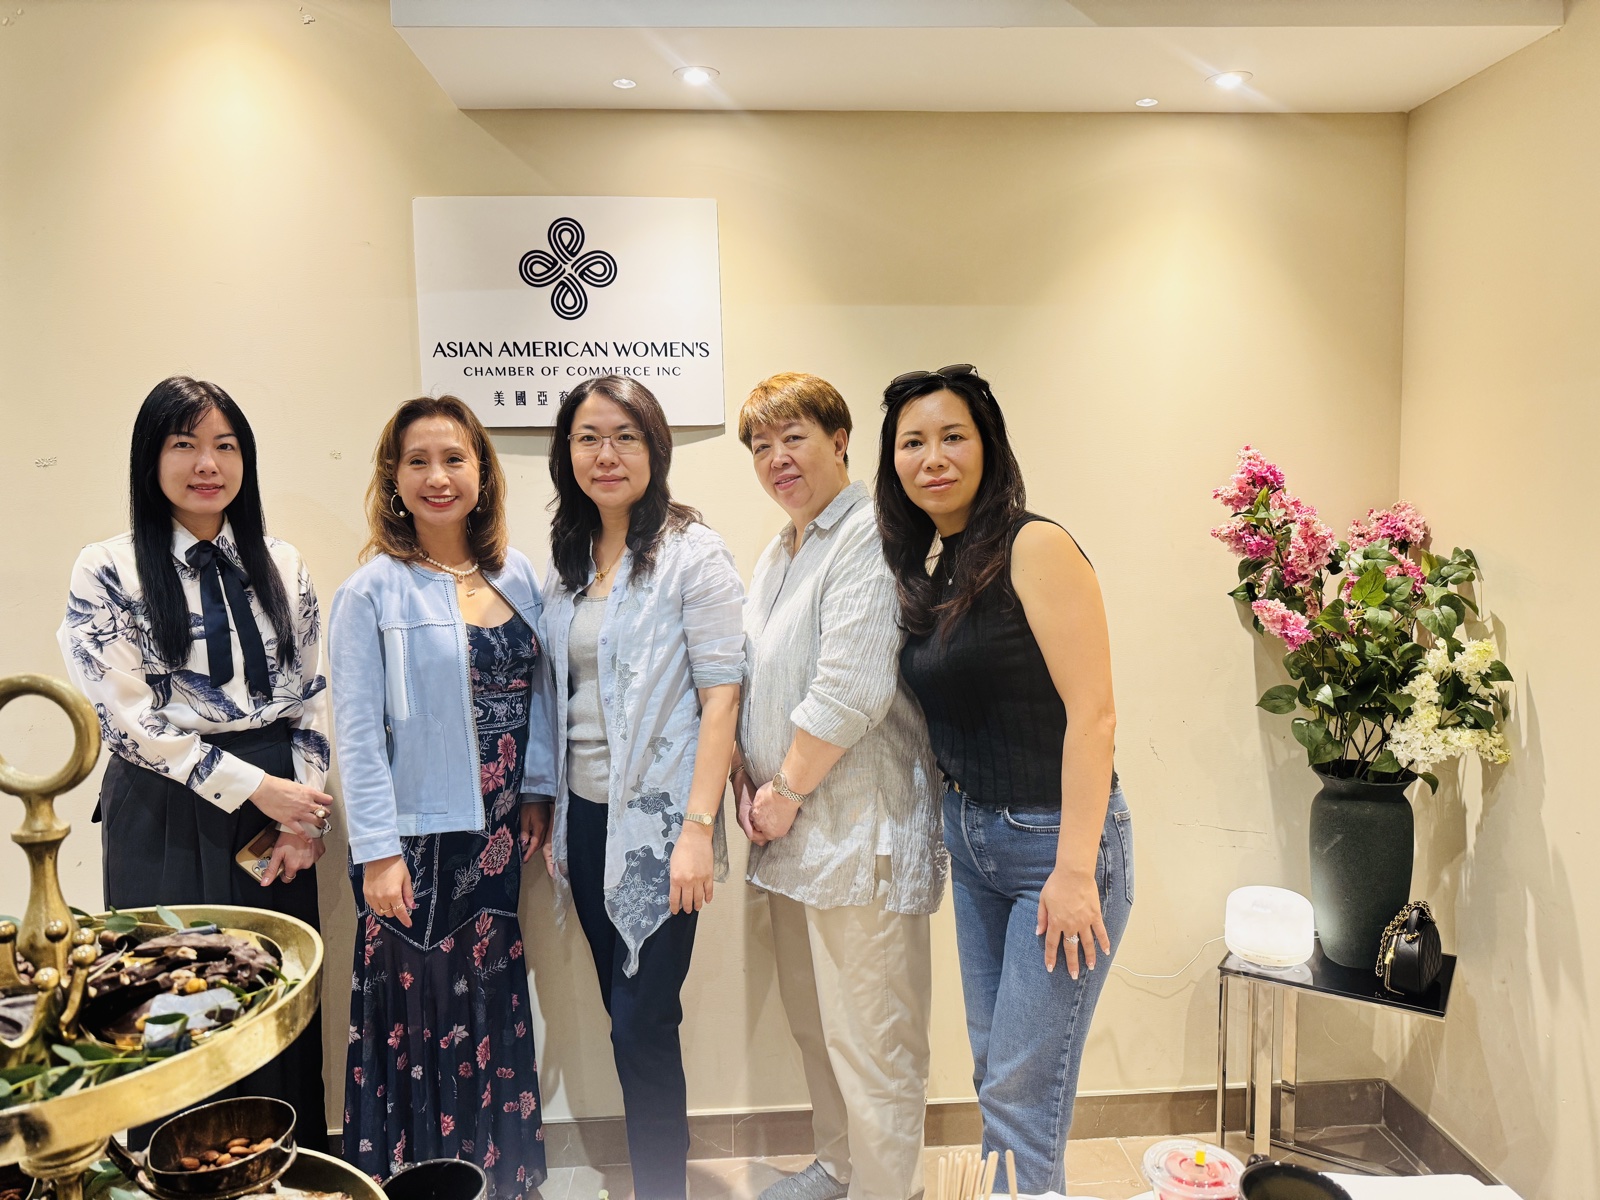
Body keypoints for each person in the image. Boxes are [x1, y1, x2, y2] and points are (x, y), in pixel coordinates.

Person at [876, 365, 1134, 1195]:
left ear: (987, 445)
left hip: (1054, 847)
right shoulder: (938, 566)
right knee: (1000, 1073)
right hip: (974, 841)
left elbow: (1094, 716)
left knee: (1021, 1092)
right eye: (912, 443)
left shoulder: (1036, 546)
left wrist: (1075, 871)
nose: (933, 458)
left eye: (953, 436)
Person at [58, 376, 332, 1149]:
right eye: (185, 444)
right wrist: (255, 788)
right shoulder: (107, 567)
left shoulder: (281, 562)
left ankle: (280, 1170)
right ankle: (175, 1175)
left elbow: (313, 694)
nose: (207, 464)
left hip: (279, 809)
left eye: (225, 445)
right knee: (171, 1002)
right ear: (151, 458)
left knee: (273, 999)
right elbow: (125, 718)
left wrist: (304, 813)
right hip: (164, 808)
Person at [329, 396, 556, 1199]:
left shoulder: (516, 573)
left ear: (481, 472)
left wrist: (537, 790)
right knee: (421, 1013)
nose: (438, 477)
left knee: (487, 999)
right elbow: (357, 734)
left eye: (454, 459)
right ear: (393, 477)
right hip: (415, 842)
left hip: (496, 837)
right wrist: (376, 852)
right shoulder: (371, 591)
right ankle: (420, 1181)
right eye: (417, 461)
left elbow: (540, 692)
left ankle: (499, 1177)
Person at [733, 373, 944, 1200]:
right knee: (816, 1026)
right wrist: (752, 785)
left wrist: (782, 791)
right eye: (761, 445)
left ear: (840, 441)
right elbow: (758, 680)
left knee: (874, 1041)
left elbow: (851, 689)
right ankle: (839, 1167)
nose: (777, 458)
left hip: (857, 830)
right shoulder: (781, 550)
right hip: (789, 834)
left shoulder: (869, 532)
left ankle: (890, 1189)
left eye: (794, 438)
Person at [538, 375, 744, 1200]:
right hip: (586, 823)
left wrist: (698, 829)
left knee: (643, 1024)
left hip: (661, 830)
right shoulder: (568, 560)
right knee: (624, 1019)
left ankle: (663, 1190)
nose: (607, 454)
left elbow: (722, 696)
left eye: (625, 436)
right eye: (589, 437)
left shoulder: (694, 553)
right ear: (567, 453)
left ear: (655, 448)